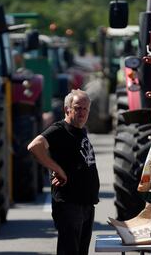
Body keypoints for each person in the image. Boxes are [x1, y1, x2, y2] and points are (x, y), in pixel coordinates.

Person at [27, 89, 100, 255]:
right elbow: (34, 146)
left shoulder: (80, 130)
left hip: (86, 205)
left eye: (85, 109)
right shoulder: (60, 129)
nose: (82, 112)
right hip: (69, 204)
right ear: (67, 109)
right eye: (77, 108)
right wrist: (57, 169)